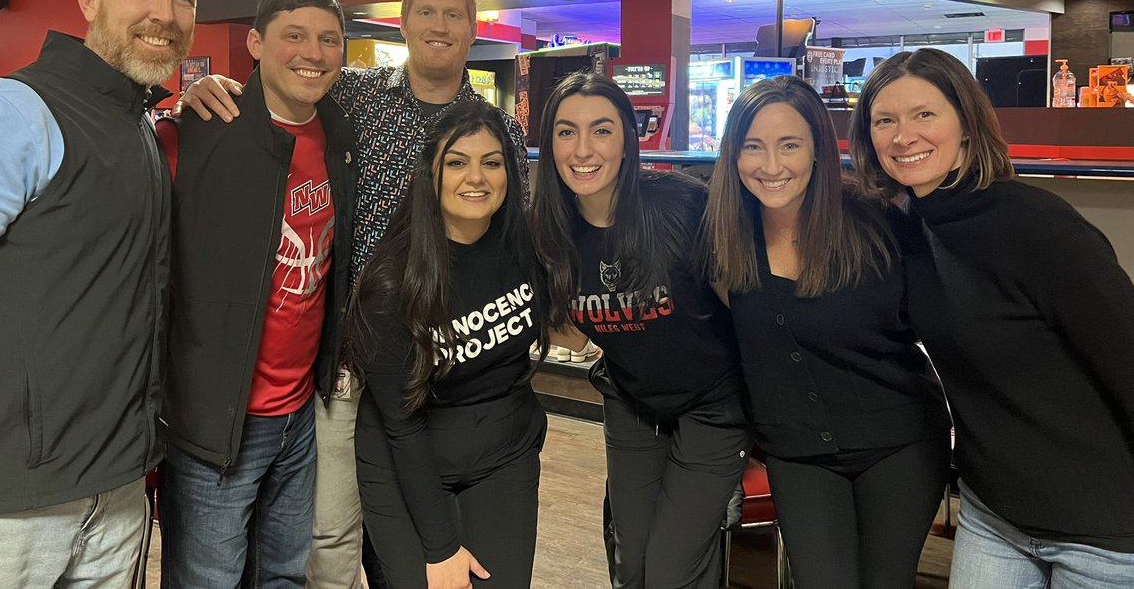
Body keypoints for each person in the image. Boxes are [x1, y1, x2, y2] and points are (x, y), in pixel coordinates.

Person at [175, 0, 526, 588]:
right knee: (329, 531)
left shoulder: (497, 132)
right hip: (344, 353)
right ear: (404, 21)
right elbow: (282, 95)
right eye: (426, 12)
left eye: (454, 15)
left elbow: (511, 240)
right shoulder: (354, 96)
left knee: (420, 517)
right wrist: (198, 96)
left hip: (443, 358)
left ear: (474, 31)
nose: (438, 26)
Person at [0, 0, 198, 588]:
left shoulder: (136, 124)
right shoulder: (13, 113)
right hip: (5, 512)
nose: (163, 14)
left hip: (115, 492)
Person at [850, 47, 1134, 585]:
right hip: (994, 512)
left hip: (1104, 525)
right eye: (884, 120)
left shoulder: (1036, 223)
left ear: (966, 122)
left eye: (924, 114)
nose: (902, 135)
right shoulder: (906, 227)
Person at [704, 75, 950, 589]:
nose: (771, 166)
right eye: (754, 147)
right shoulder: (724, 238)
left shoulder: (877, 219)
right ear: (733, 154)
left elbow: (947, 321)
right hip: (798, 452)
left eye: (789, 145)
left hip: (899, 442)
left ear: (817, 149)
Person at [155, 0, 356, 587]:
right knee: (208, 578)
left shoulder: (338, 132)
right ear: (255, 44)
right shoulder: (195, 134)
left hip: (299, 415)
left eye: (328, 40)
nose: (312, 53)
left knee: (283, 576)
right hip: (217, 423)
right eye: (294, 35)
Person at [529, 71, 752, 589]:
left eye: (602, 130)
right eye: (566, 131)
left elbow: (746, 308)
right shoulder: (548, 229)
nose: (583, 148)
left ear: (628, 139)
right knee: (632, 567)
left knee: (672, 569)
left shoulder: (681, 205)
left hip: (713, 406)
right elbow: (568, 333)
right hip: (632, 403)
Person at [347, 99, 549, 589]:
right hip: (407, 458)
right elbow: (402, 428)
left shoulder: (524, 247)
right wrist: (439, 550)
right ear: (430, 175)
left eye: (492, 162)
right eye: (457, 162)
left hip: (502, 451)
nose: (475, 178)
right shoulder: (391, 282)